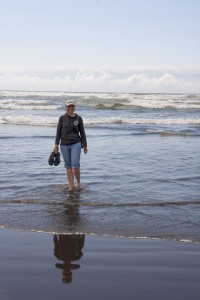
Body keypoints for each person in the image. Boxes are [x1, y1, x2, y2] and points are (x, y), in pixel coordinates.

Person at [53, 100, 87, 191]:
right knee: (68, 166)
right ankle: (71, 186)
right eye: (68, 106)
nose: (70, 108)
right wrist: (56, 145)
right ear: (66, 108)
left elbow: (82, 132)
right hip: (64, 145)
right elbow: (58, 132)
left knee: (75, 165)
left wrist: (85, 145)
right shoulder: (62, 118)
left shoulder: (78, 118)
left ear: (74, 107)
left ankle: (78, 183)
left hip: (76, 143)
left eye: (72, 106)